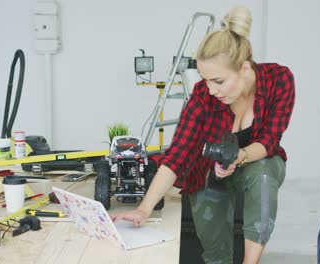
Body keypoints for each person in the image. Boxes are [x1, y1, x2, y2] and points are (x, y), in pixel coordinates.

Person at [113, 6, 295, 264]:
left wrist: (240, 156)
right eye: (205, 79)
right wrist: (144, 208)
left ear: (244, 69)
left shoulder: (279, 79)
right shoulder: (202, 96)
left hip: (258, 161)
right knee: (215, 255)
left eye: (218, 81)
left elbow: (269, 140)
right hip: (211, 172)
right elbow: (177, 156)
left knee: (263, 174)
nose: (210, 90)